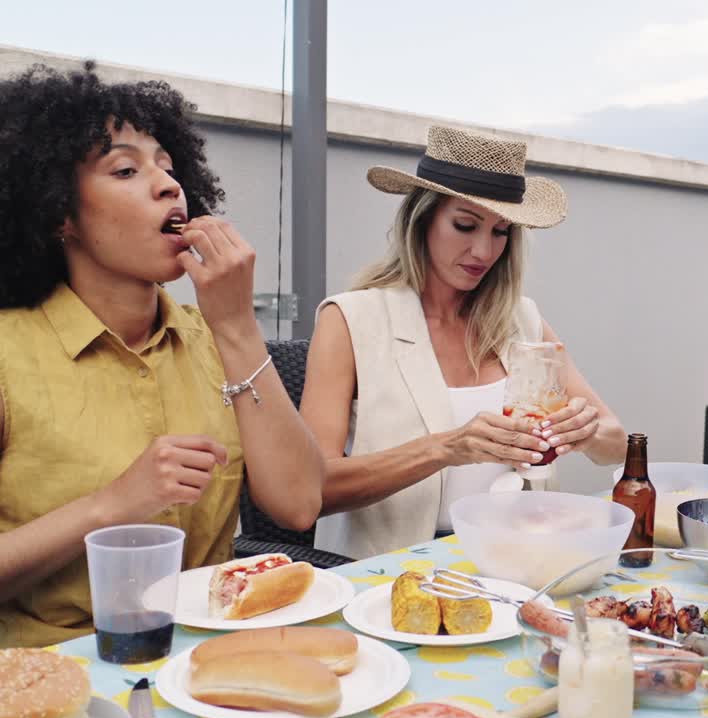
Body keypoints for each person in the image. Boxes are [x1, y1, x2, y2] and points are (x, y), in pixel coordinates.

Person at [0, 63, 325, 648]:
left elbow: (299, 505)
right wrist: (110, 506)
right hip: (59, 675)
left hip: (213, 657)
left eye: (169, 168)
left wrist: (237, 326)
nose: (168, 185)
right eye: (126, 169)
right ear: (58, 214)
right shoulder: (8, 354)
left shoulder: (214, 336)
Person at [300, 125, 627, 559]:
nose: (483, 251)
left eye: (500, 231)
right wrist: (446, 448)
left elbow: (618, 445)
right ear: (422, 219)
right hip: (387, 577)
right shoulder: (351, 320)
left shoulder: (521, 320)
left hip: (512, 561)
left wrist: (585, 433)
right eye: (465, 225)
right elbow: (310, 488)